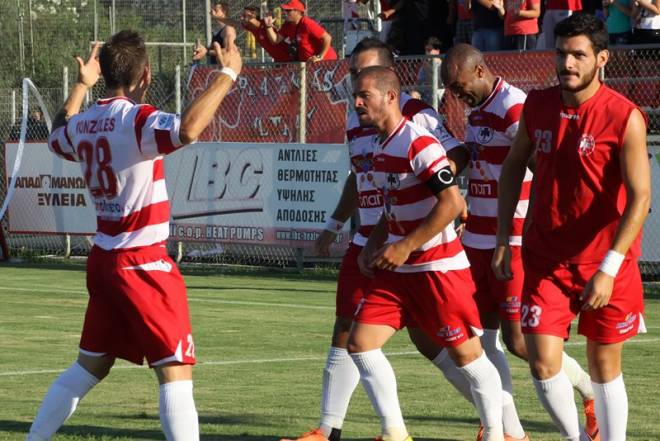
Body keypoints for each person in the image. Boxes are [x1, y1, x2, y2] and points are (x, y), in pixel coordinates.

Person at [27, 30, 242, 441]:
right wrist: (227, 74)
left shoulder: (84, 122)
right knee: (175, 373)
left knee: (89, 367)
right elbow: (189, 129)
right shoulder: (137, 119)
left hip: (104, 261)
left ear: (105, 74)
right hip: (142, 262)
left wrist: (81, 86)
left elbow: (56, 135)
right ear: (145, 75)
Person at [280, 37, 476, 441]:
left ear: (388, 77)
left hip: (413, 245)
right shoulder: (357, 117)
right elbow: (359, 175)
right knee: (348, 329)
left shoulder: (418, 117)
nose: (357, 81)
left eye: (364, 72)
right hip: (369, 240)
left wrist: (438, 199)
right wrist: (334, 224)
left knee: (437, 344)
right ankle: (331, 429)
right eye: (353, 72)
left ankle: (501, 421)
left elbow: (455, 155)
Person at [493, 13, 650, 441]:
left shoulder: (625, 116)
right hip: (546, 259)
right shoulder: (537, 105)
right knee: (542, 362)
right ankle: (576, 437)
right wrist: (505, 238)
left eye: (578, 55)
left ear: (602, 59)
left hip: (607, 264)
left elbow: (641, 198)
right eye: (561, 54)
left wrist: (609, 268)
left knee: (604, 366)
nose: (567, 63)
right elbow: (513, 167)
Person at [441, 42, 599, 441]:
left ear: (479, 71)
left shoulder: (514, 107)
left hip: (510, 240)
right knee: (480, 340)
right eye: (452, 90)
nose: (456, 96)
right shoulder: (478, 108)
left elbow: (541, 170)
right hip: (476, 239)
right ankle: (510, 431)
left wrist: (529, 229)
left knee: (521, 342)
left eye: (459, 87)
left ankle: (588, 391)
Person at [349, 65, 507, 441]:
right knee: (360, 344)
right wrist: (372, 244)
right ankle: (395, 433)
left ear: (390, 97)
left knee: (468, 357)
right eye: (355, 96)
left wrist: (405, 245)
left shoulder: (418, 142)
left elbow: (452, 203)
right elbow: (392, 206)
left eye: (364, 95)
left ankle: (498, 433)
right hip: (398, 274)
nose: (356, 103)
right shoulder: (379, 144)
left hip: (439, 270)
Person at [212, 5, 294, 62]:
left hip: (290, 60)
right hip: (279, 61)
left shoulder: (266, 24)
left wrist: (269, 26)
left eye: (244, 15)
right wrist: (216, 17)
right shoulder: (250, 27)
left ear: (253, 15)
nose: (241, 18)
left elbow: (276, 39)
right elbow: (232, 22)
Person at [264, 0, 337, 62]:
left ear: (297, 12)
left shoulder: (306, 23)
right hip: (310, 63)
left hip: (326, 61)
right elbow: (275, 40)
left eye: (289, 10)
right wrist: (268, 26)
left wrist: (320, 56)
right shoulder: (287, 25)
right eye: (285, 10)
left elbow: (327, 38)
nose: (285, 12)